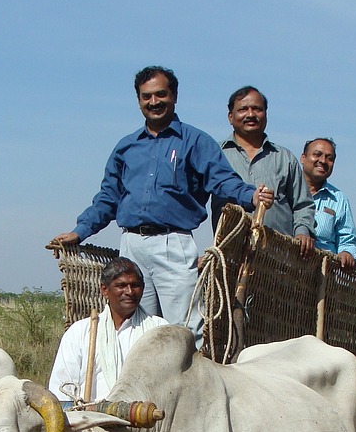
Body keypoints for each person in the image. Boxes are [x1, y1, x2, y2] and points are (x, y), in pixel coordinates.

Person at [49, 66, 273, 340]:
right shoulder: (126, 147)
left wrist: (250, 195)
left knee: (183, 330)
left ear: (174, 96)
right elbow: (108, 197)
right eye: (146, 97)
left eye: (160, 95)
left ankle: (187, 384)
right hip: (132, 245)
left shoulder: (195, 141)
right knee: (134, 329)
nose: (154, 102)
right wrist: (80, 230)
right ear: (139, 100)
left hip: (173, 244)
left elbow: (222, 180)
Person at [213, 86, 315, 258]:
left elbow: (303, 204)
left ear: (266, 114)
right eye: (243, 109)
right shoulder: (215, 155)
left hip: (278, 259)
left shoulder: (285, 158)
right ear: (231, 117)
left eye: (257, 109)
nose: (251, 114)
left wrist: (303, 232)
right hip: (229, 254)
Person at [49, 258, 169, 403]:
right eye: (121, 286)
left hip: (146, 420)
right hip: (91, 420)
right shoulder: (81, 332)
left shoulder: (159, 330)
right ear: (105, 290)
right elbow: (62, 392)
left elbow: (169, 385)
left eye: (135, 285)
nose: (129, 292)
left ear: (143, 288)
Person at [301, 137, 356, 269]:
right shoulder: (285, 189)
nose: (323, 161)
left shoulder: (338, 199)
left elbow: (347, 239)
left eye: (329, 158)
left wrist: (346, 253)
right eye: (317, 154)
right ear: (303, 158)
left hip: (322, 274)